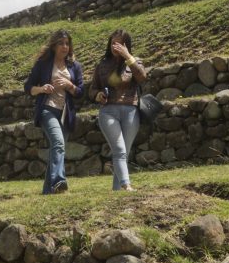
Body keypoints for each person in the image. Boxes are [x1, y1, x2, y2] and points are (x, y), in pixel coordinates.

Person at [24, 30, 84, 194]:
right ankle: (59, 182)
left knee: (57, 149)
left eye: (67, 43)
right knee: (58, 143)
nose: (65, 47)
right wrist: (42, 88)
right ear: (54, 45)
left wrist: (69, 85)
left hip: (65, 113)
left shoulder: (75, 66)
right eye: (61, 43)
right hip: (47, 109)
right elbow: (28, 88)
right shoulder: (43, 64)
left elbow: (80, 92)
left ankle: (48, 191)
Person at [89, 29, 147, 191]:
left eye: (120, 43)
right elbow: (92, 89)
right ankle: (126, 186)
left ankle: (117, 192)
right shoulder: (102, 65)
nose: (116, 46)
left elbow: (142, 77)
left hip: (131, 111)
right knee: (120, 150)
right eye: (113, 42)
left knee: (122, 154)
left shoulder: (135, 61)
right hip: (108, 111)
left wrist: (128, 57)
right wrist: (98, 94)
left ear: (127, 45)